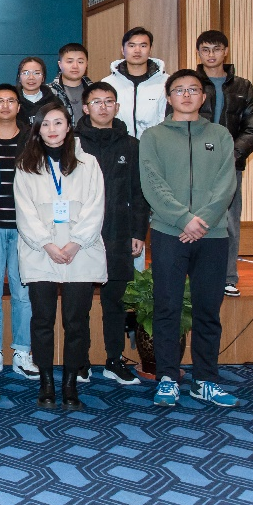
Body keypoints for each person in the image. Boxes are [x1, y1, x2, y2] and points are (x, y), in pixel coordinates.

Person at [140, 70, 238, 408]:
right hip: (170, 232)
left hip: (213, 234)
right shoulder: (153, 136)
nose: (186, 95)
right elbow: (152, 182)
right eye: (179, 90)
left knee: (208, 309)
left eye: (193, 89)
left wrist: (203, 220)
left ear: (203, 96)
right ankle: (168, 378)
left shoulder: (220, 135)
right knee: (167, 306)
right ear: (168, 98)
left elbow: (226, 183)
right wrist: (184, 219)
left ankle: (205, 379)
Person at [13, 103, 107, 411]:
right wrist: (47, 244)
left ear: (69, 126)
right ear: (37, 129)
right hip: (41, 252)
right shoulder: (27, 164)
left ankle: (70, 384)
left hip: (81, 251)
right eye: (45, 124)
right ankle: (46, 383)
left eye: (58, 123)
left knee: (76, 321)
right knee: (42, 320)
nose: (52, 129)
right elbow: (24, 211)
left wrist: (76, 242)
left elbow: (96, 206)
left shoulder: (88, 163)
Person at [76, 82, 149, 386]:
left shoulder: (131, 145)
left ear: (117, 107)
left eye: (109, 101)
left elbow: (139, 191)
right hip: (80, 236)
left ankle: (114, 360)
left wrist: (138, 231)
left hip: (119, 233)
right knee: (78, 303)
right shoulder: (73, 143)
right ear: (85, 108)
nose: (103, 107)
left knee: (115, 302)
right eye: (96, 101)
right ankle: (79, 360)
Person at [195, 30, 253, 298]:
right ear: (198, 53)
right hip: (194, 164)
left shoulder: (243, 87)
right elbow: (176, 120)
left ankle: (227, 277)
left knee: (229, 221)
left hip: (230, 164)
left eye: (216, 49)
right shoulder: (189, 83)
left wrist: (232, 155)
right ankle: (196, 277)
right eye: (205, 49)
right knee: (194, 218)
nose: (211, 54)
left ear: (226, 51)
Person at [0, 84, 37, 380]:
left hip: (24, 228)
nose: (5, 105)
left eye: (11, 101)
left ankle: (22, 351)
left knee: (22, 292)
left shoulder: (31, 140)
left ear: (19, 107)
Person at [101, 26, 167, 140]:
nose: (137, 50)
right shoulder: (107, 83)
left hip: (155, 146)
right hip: (118, 146)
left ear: (150, 49)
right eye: (131, 46)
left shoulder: (165, 83)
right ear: (122, 50)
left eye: (143, 46)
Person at [49, 43, 93, 125]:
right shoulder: (48, 92)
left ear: (86, 64)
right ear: (60, 64)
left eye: (80, 62)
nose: (75, 66)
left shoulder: (95, 91)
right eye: (69, 61)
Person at [16, 57, 58, 129]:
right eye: (26, 73)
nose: (31, 77)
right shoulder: (12, 101)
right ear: (19, 76)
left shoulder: (54, 102)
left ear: (43, 78)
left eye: (36, 73)